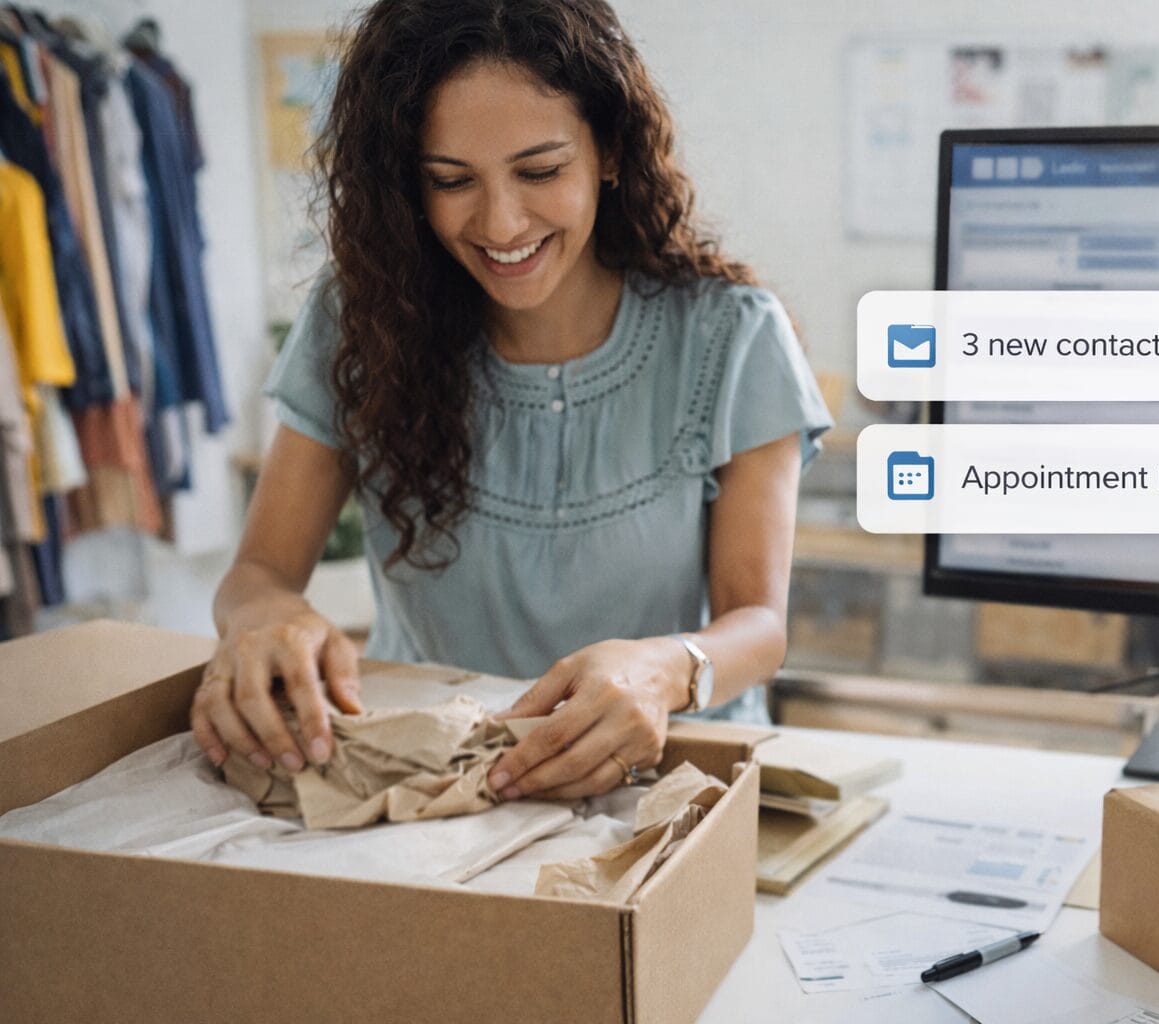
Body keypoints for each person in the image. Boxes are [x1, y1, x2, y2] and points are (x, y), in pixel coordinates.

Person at [192, 0, 831, 802]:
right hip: (428, 788)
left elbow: (758, 627)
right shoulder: (361, 320)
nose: (500, 223)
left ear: (609, 150)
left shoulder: (732, 335)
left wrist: (669, 667)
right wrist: (267, 620)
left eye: (540, 171)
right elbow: (255, 574)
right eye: (450, 181)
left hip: (670, 788)